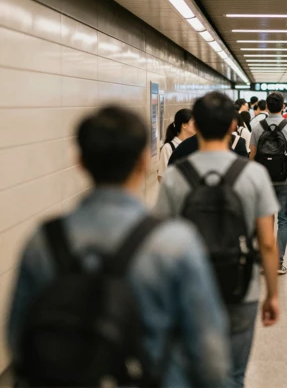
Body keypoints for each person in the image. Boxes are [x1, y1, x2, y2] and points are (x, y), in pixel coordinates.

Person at [7, 106, 230, 387]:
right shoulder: (175, 242)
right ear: (143, 161)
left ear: (79, 161)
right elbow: (209, 352)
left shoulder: (44, 240)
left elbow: (18, 336)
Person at [156, 92, 281, 388]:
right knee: (234, 375)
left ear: (196, 125)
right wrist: (272, 294)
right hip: (241, 285)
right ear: (232, 125)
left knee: (194, 373)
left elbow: (161, 240)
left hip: (190, 287)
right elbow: (267, 242)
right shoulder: (254, 174)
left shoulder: (175, 175)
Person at [250, 92, 287, 275]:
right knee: (284, 220)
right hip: (286, 178)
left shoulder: (257, 127)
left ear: (266, 107)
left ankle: (266, 261)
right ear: (283, 106)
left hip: (264, 179)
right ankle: (278, 263)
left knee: (266, 219)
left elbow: (252, 156)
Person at [159, 108, 194, 182]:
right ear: (184, 125)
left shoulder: (195, 145)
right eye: (193, 122)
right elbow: (162, 176)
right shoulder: (168, 148)